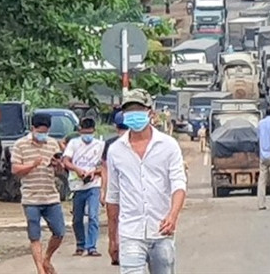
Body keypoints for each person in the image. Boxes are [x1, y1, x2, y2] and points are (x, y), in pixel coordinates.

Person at [106, 89, 187, 274]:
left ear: (150, 112)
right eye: (129, 110)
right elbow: (113, 196)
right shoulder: (116, 150)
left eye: (138, 109)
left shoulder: (168, 146)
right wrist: (113, 238)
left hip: (161, 231)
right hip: (130, 233)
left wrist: (172, 216)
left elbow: (178, 184)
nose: (134, 114)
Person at [11, 113, 66, 274]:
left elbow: (60, 171)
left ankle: (46, 258)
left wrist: (58, 165)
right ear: (32, 128)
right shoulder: (20, 145)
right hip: (31, 198)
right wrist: (32, 165)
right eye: (40, 131)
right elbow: (15, 169)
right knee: (35, 236)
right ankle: (40, 269)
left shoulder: (52, 144)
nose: (43, 134)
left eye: (45, 132)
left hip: (51, 196)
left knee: (59, 232)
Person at [63, 117, 105, 257]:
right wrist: (77, 169)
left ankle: (92, 246)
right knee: (77, 218)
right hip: (77, 185)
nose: (87, 136)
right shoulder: (74, 144)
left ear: (94, 131)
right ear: (80, 131)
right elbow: (66, 161)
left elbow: (104, 166)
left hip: (94, 185)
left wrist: (94, 172)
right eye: (85, 133)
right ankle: (80, 245)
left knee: (93, 215)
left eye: (90, 133)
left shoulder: (100, 145)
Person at [101, 111, 129, 266]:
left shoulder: (111, 144)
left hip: (120, 190)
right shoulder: (112, 145)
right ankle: (116, 247)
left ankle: (116, 247)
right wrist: (104, 190)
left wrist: (103, 190)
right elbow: (105, 169)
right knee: (117, 220)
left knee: (115, 220)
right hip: (120, 189)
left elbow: (105, 170)